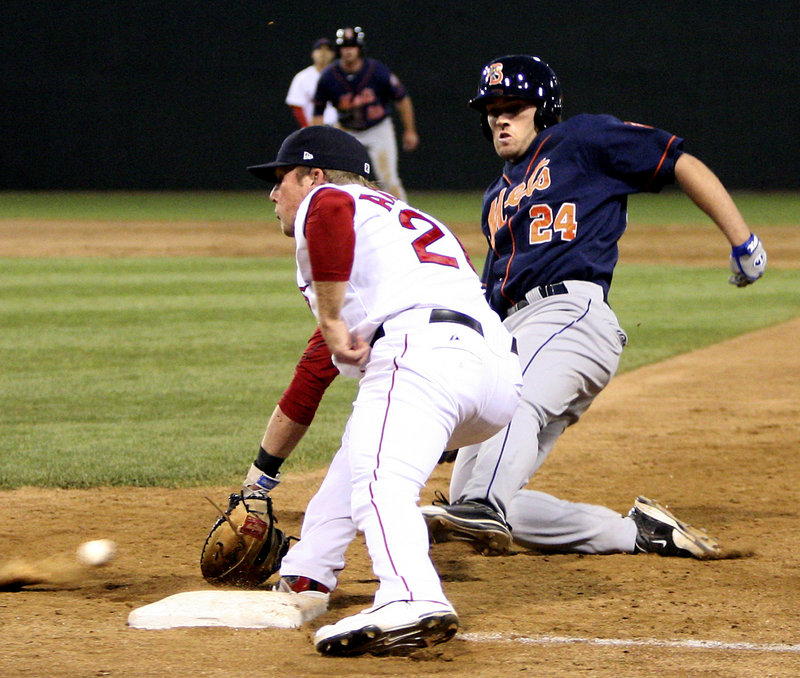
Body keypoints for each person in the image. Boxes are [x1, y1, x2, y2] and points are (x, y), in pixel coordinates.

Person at [420, 55, 767, 559]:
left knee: (503, 438)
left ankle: (482, 505)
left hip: (570, 316)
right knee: (475, 494)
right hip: (517, 329)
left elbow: (679, 161)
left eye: (513, 107)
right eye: (491, 109)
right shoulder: (496, 195)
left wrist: (742, 240)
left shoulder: (581, 140)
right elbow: (491, 301)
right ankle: (638, 533)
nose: (500, 118)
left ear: (544, 109)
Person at [245, 125, 522, 656]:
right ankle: (306, 573)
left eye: (281, 179)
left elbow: (326, 211)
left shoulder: (329, 199)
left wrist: (328, 318)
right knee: (365, 446)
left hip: (426, 352)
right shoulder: (403, 220)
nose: (274, 194)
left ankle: (412, 594)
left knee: (379, 479)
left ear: (315, 175)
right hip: (495, 376)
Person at [311, 26, 418, 201]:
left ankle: (404, 218)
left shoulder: (377, 70)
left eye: (352, 46)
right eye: (345, 47)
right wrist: (316, 140)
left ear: (360, 49)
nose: (348, 51)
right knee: (341, 181)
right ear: (339, 50)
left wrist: (410, 130)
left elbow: (402, 98)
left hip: (378, 129)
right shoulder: (329, 76)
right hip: (347, 131)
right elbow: (317, 112)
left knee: (388, 180)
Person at [284, 37, 338, 128]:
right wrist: (308, 128)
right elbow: (297, 106)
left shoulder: (340, 76)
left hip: (340, 128)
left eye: (327, 50)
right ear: (312, 54)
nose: (323, 53)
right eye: (319, 49)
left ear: (333, 54)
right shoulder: (302, 77)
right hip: (315, 127)